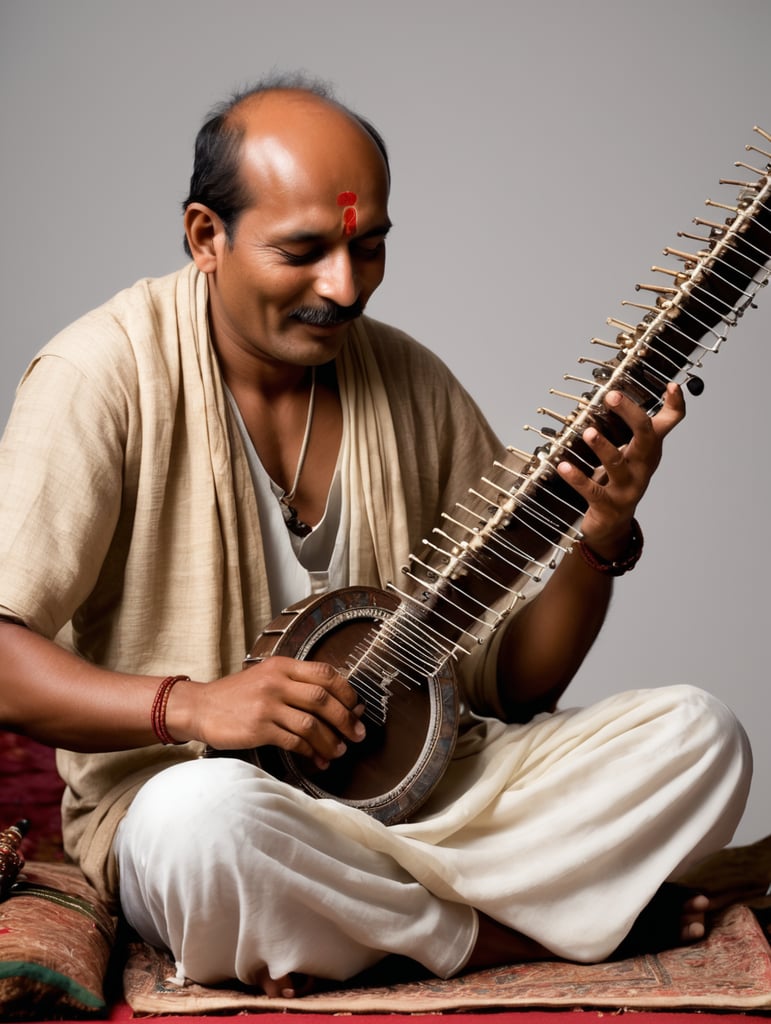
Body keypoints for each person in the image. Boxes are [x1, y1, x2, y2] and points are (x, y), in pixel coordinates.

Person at [0, 74, 752, 998]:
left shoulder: (408, 381)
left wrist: (601, 532)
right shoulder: (102, 376)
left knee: (698, 737)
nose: (343, 287)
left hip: (422, 801)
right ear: (206, 235)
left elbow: (512, 686)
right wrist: (195, 707)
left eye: (369, 248)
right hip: (220, 804)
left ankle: (366, 927)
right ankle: (504, 936)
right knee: (204, 831)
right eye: (303, 251)